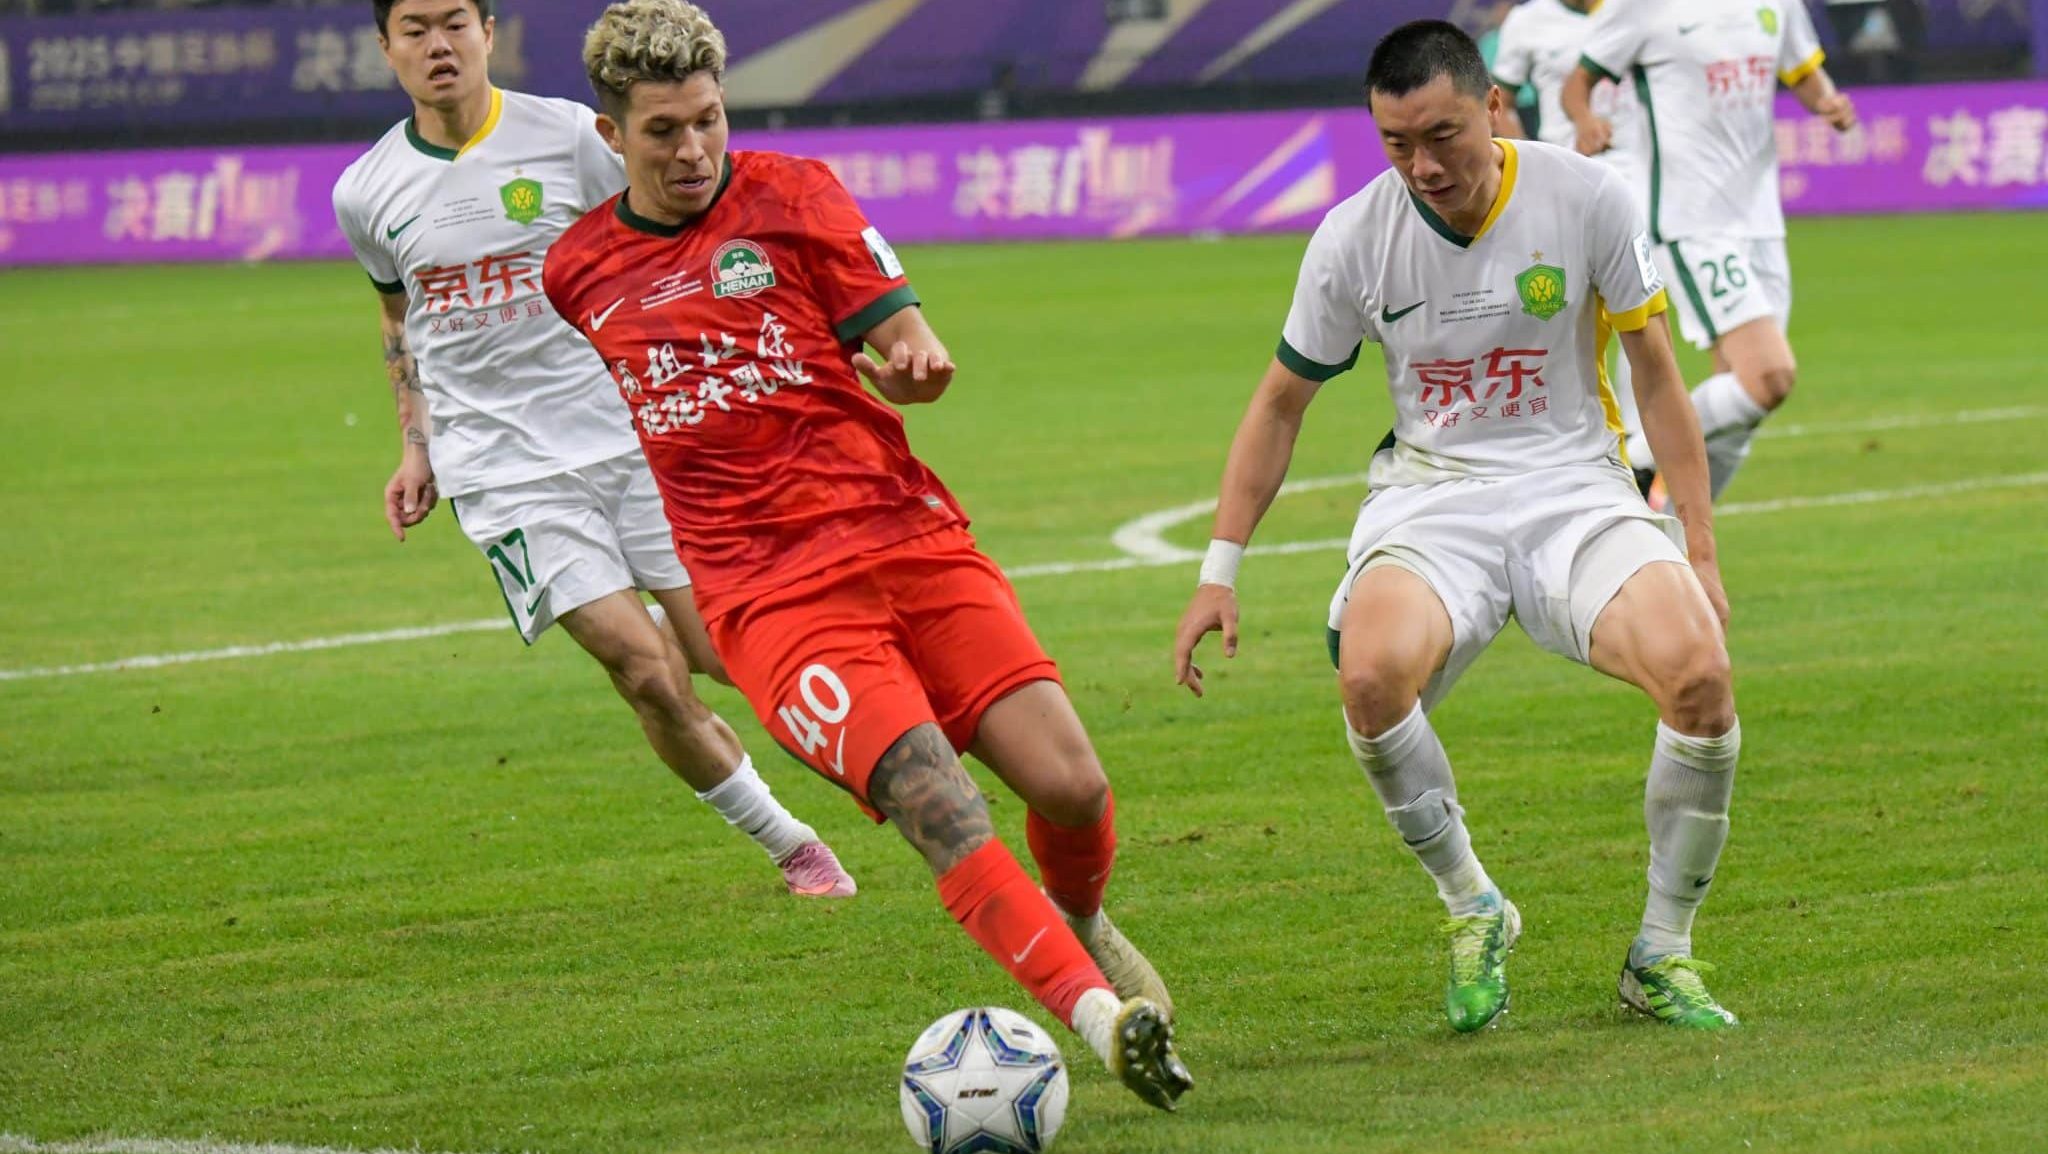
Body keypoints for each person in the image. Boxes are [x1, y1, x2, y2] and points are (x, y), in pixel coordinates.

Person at [540, 0, 1193, 1109]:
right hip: (770, 600)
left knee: (1072, 788)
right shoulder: (579, 271)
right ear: (613, 137)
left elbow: (900, 331)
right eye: (662, 132)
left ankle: (1078, 922)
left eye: (707, 120)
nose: (693, 149)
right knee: (941, 804)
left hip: (906, 537)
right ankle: (1100, 1015)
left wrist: (917, 360)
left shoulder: (794, 193)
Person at [1173, 21, 1745, 1031]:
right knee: (1366, 673)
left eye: (1439, 135)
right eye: (1395, 144)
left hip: (1576, 492)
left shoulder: (1584, 197)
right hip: (1432, 499)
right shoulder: (1352, 237)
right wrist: (1218, 568)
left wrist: (1697, 551)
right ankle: (1471, 902)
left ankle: (1660, 950)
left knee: (1697, 676)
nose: (1421, 167)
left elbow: (1655, 374)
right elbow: (1277, 404)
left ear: (1492, 107)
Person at [331, 0, 854, 900]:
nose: (437, 44)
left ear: (490, 31)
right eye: (413, 28)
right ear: (386, 48)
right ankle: (792, 844)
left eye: (454, 21)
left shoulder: (572, 138)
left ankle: (910, 755)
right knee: (644, 671)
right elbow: (398, 319)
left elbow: (670, 236)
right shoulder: (366, 190)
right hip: (502, 474)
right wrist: (415, 446)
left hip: (634, 438)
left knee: (733, 649)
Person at [1564, 0, 1857, 501]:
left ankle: (1679, 546)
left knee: (1742, 409)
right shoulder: (1643, 8)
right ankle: (1629, 460)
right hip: (1692, 219)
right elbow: (1577, 84)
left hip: (1763, 222)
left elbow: (1804, 70)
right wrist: (1586, 120)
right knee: (1767, 375)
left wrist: (1828, 102)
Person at [1492, 0, 1658, 490]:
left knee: (1640, 319)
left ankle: (1641, 453)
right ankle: (1553, 439)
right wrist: (1525, 161)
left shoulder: (1641, 11)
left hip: (1637, 185)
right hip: (1560, 197)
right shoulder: (1529, 21)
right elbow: (1497, 97)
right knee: (1554, 317)